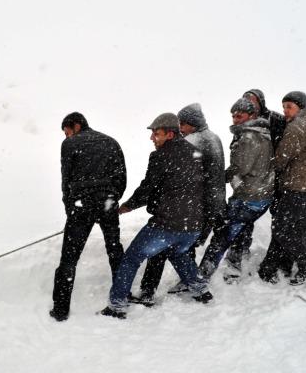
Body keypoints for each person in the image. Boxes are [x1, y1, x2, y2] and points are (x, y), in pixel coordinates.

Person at [100, 113, 212, 319]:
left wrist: (126, 206)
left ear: (170, 134)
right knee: (178, 253)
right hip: (193, 224)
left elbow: (148, 188)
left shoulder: (161, 156)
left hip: (167, 224)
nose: (152, 138)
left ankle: (116, 306)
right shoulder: (195, 153)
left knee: (131, 259)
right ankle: (200, 290)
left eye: (156, 133)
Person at [132, 103, 226, 303]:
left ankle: (149, 291)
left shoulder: (193, 142)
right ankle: (195, 285)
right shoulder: (214, 138)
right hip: (212, 203)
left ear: (193, 123)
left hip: (194, 205)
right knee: (182, 247)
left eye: (182, 124)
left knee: (165, 247)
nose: (180, 128)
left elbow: (176, 179)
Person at [50, 112, 127, 321]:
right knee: (115, 251)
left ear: (75, 126)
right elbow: (122, 178)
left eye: (67, 132)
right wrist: (112, 198)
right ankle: (121, 298)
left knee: (69, 258)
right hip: (107, 202)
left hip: (81, 205)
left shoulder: (70, 144)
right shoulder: (111, 142)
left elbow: (66, 181)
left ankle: (60, 309)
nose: (66, 136)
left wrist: (70, 208)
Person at [198, 98, 274, 281]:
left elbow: (240, 168)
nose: (235, 119)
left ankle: (201, 276)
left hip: (249, 195)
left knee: (223, 235)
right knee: (239, 230)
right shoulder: (262, 133)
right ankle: (234, 267)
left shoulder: (249, 137)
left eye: (239, 116)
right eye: (233, 116)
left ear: (252, 115)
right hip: (260, 194)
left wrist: (217, 177)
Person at [257, 91, 306, 285]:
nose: (285, 111)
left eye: (289, 107)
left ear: (301, 107)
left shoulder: (297, 127)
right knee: (291, 230)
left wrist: (265, 165)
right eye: (283, 107)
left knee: (281, 230)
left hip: (299, 189)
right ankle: (269, 269)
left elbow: (281, 159)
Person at [228, 89, 287, 264]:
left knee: (278, 220)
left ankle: (273, 261)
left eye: (253, 100)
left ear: (260, 102)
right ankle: (241, 251)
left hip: (270, 178)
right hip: (252, 182)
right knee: (243, 221)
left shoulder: (275, 119)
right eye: (246, 99)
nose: (250, 102)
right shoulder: (243, 124)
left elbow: (284, 145)